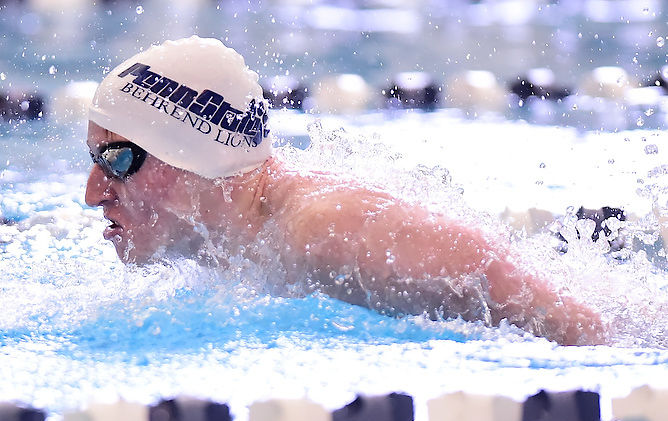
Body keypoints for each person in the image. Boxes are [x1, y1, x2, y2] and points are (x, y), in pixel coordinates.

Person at [85, 36, 606, 346]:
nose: (93, 193)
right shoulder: (229, 236)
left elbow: (581, 326)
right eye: (94, 160)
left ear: (190, 154)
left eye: (118, 159)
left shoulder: (329, 230)